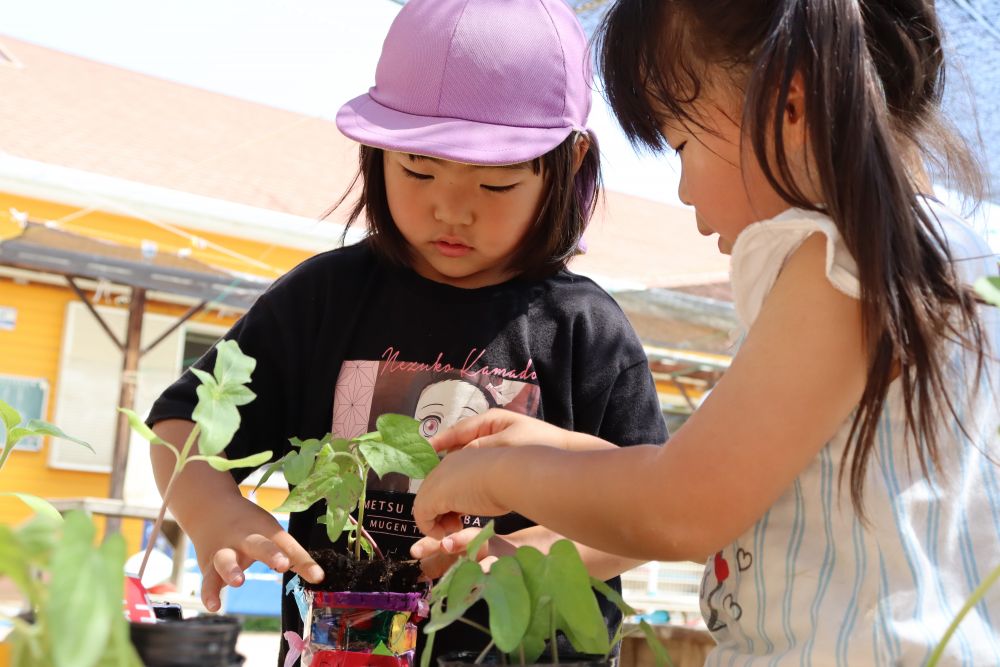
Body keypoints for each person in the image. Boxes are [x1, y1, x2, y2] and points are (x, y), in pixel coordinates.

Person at [412, 0, 1000, 663]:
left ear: (789, 102)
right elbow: (716, 472)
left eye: (682, 144)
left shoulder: (841, 262)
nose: (686, 192)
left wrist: (504, 473)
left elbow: (685, 506)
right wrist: (548, 444)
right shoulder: (945, 256)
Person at [145, 0, 667, 664]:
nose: (452, 207)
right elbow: (179, 423)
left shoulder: (584, 330)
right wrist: (209, 509)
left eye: (496, 182)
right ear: (377, 155)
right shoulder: (322, 299)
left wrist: (516, 555)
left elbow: (647, 511)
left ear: (567, 164)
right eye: (418, 171)